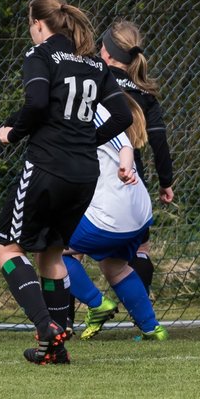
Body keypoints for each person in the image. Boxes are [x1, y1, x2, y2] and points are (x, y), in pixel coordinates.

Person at [0, 0, 132, 366]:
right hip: (84, 172)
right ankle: (56, 348)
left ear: (38, 24)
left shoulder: (40, 56)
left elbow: (36, 103)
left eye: (30, 27)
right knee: (51, 253)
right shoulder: (94, 65)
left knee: (5, 247)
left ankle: (45, 328)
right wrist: (85, 139)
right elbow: (123, 118)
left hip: (47, 165)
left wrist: (12, 133)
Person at [74, 20, 176, 339]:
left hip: (102, 186)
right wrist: (166, 182)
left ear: (106, 51)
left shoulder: (96, 88)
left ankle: (76, 314)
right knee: (125, 258)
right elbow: (157, 142)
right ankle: (148, 325)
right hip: (137, 191)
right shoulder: (144, 93)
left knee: (58, 252)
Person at [63, 95, 169, 342]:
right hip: (138, 211)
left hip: (113, 212)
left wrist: (124, 169)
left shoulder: (84, 109)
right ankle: (152, 328)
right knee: (116, 267)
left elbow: (123, 147)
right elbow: (123, 146)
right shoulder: (95, 110)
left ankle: (96, 304)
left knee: (52, 251)